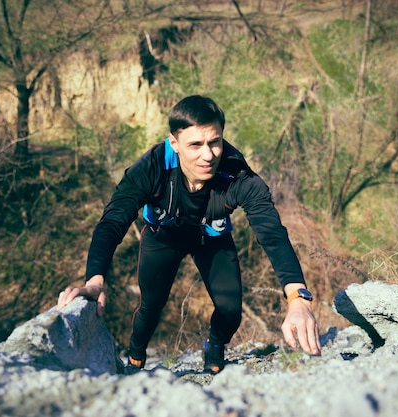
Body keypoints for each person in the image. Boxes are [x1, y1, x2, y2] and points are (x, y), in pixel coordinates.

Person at [57, 95, 321, 374]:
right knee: (151, 305)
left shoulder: (237, 174)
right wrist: (95, 281)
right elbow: (112, 222)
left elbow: (272, 233)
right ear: (175, 144)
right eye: (195, 145)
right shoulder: (151, 168)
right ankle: (135, 353)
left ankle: (215, 344)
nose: (207, 155)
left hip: (211, 239)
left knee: (231, 310)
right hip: (163, 238)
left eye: (214, 142)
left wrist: (297, 298)